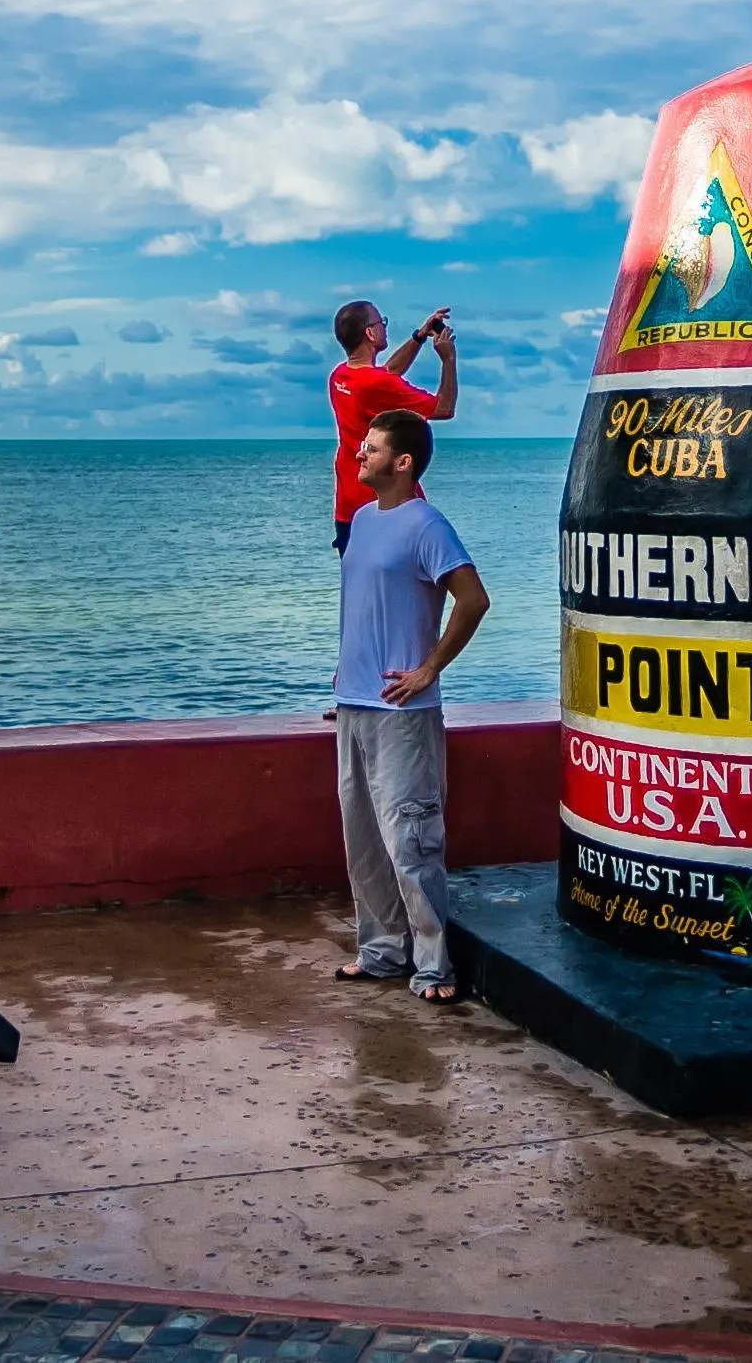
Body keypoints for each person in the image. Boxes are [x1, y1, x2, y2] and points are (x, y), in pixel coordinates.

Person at [331, 408, 490, 1003]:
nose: (358, 455)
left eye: (370, 449)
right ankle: (380, 952)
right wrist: (346, 665)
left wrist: (429, 668)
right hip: (353, 703)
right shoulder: (365, 520)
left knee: (412, 839)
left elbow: (473, 600)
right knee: (364, 838)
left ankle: (432, 967)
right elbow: (367, 603)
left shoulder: (428, 525)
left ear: (403, 462)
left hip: (404, 713)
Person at [327, 298, 455, 551]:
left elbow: (387, 373)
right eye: (381, 322)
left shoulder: (340, 376)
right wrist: (448, 360)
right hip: (387, 506)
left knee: (360, 585)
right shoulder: (376, 385)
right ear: (370, 333)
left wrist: (419, 337)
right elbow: (444, 409)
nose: (385, 327)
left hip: (348, 506)